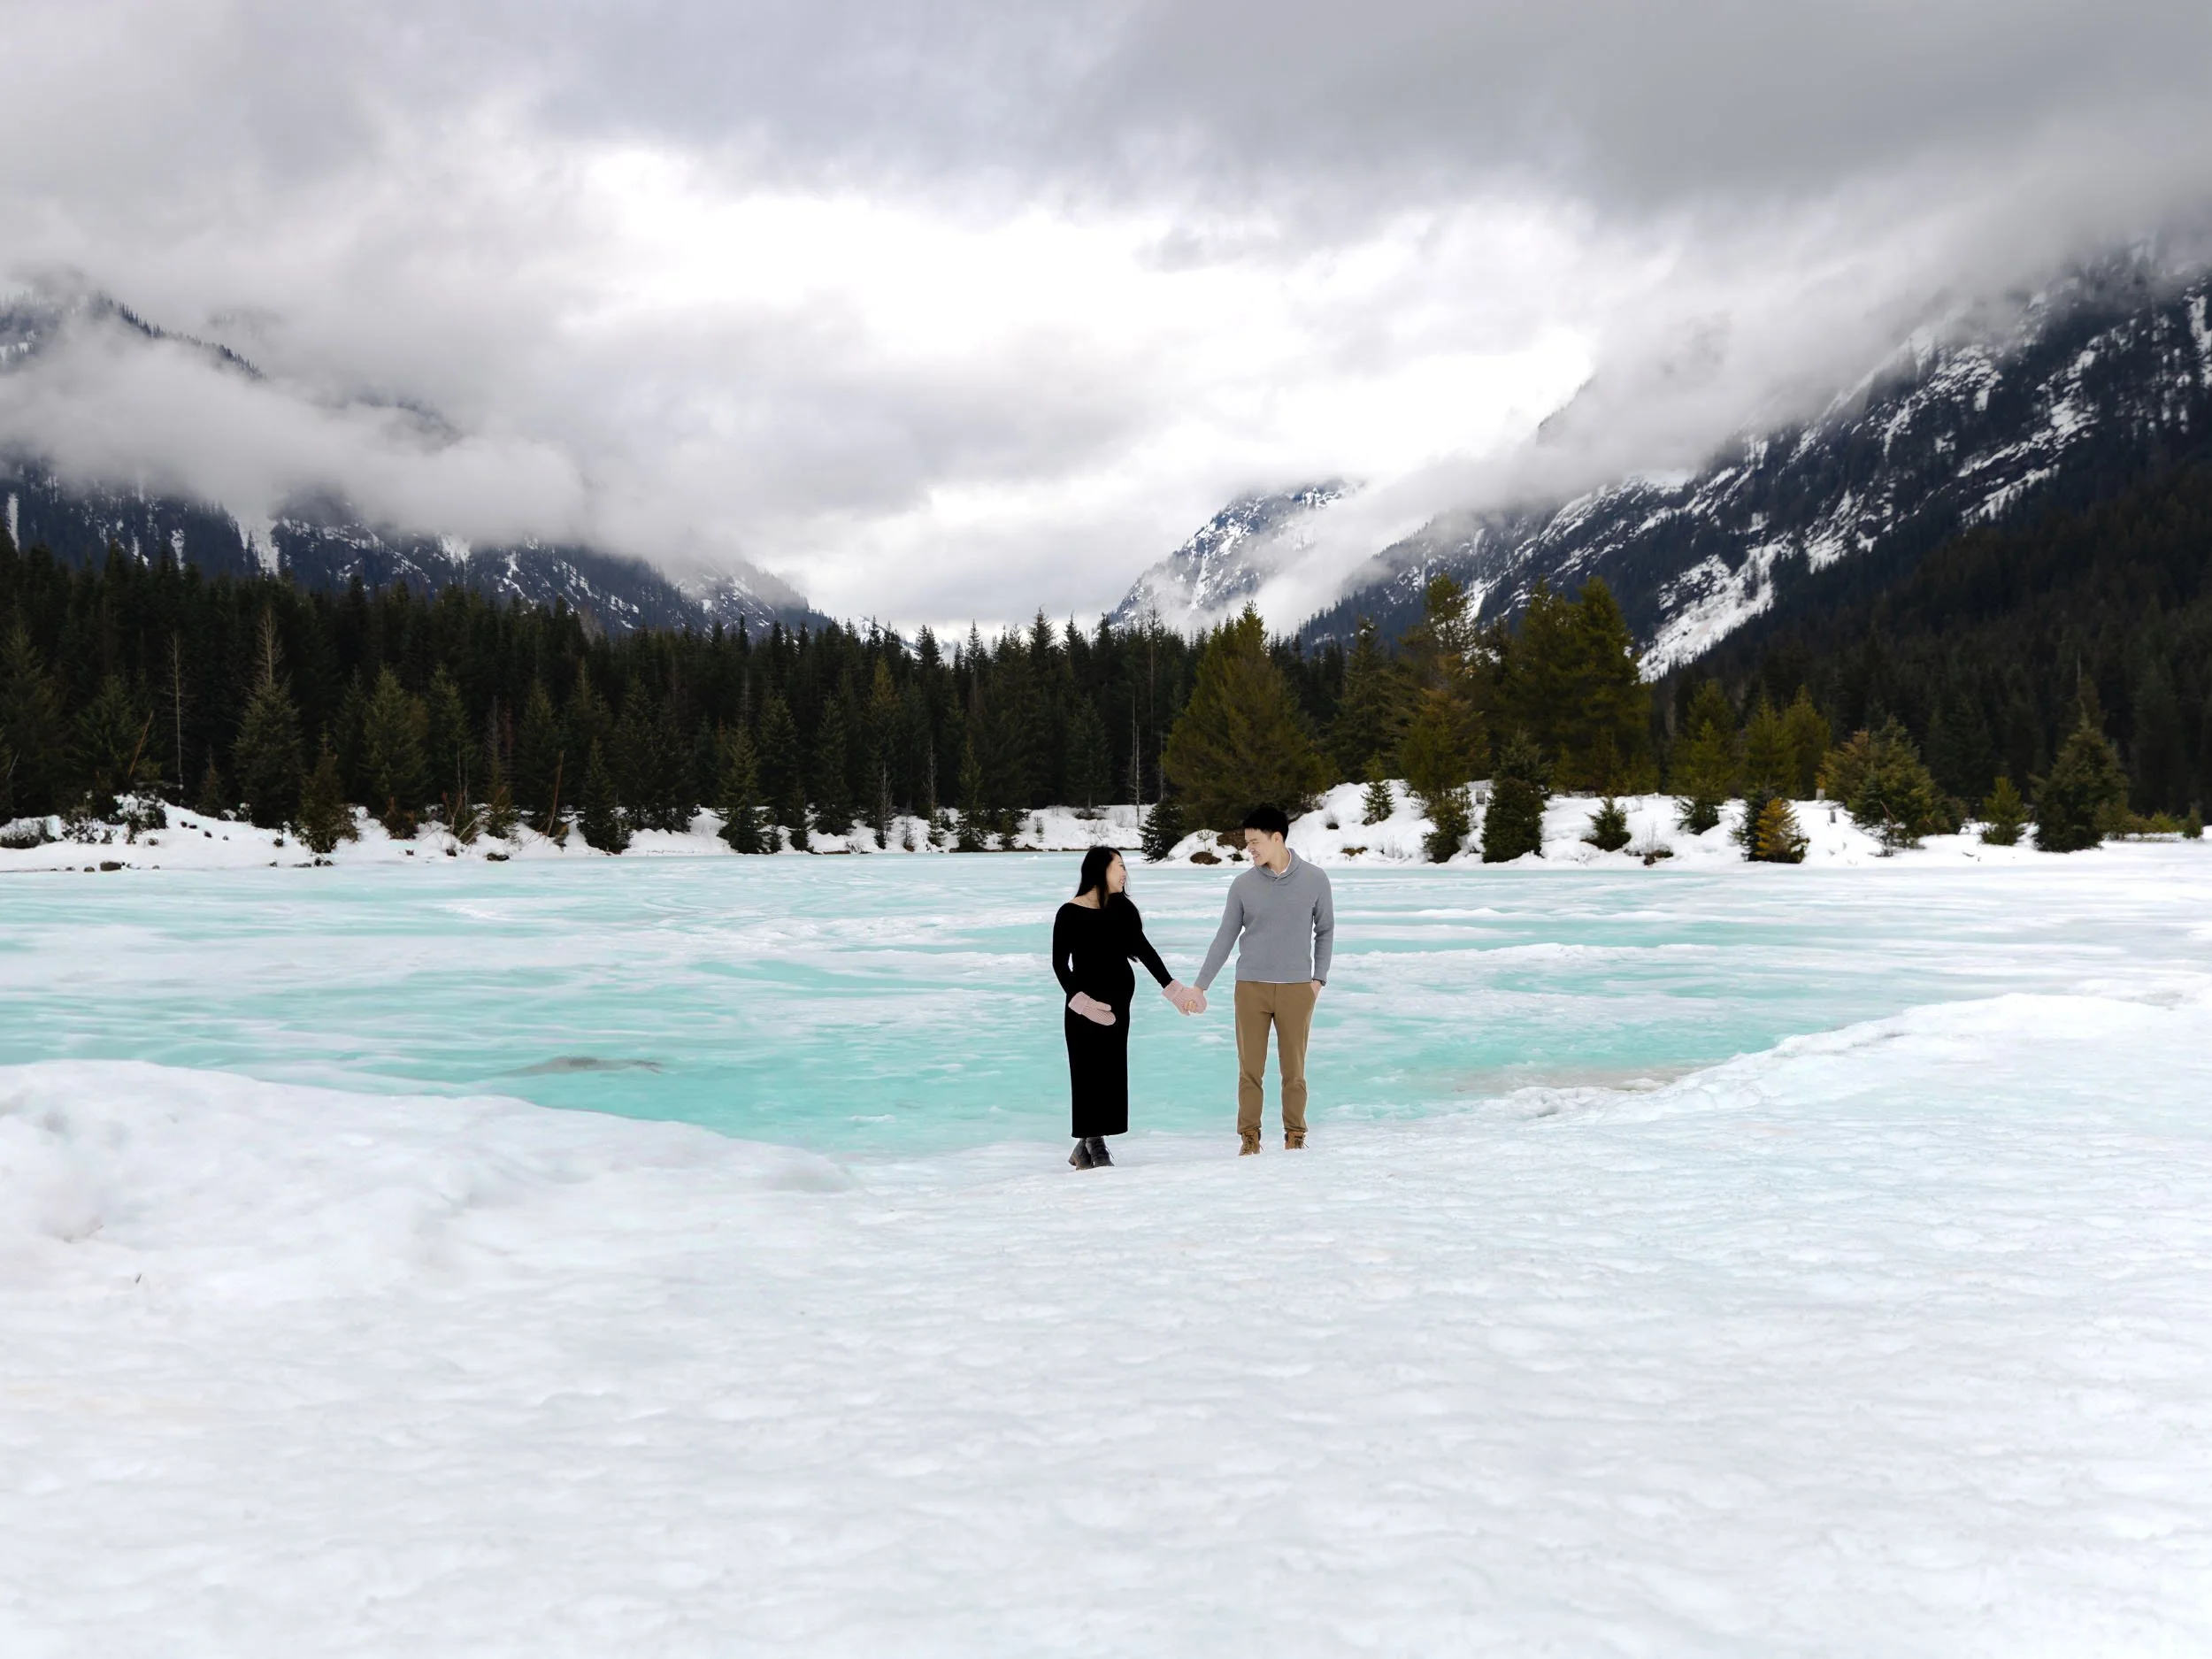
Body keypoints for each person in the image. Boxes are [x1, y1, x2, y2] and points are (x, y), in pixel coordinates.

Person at [1190, 804, 1334, 1156]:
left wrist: (1318, 979)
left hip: (1297, 989)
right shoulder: (1242, 886)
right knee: (1249, 1070)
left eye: (1254, 842)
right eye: (1246, 842)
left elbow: (1325, 931)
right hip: (1250, 988)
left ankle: (1295, 1134)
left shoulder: (1316, 879)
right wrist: (1200, 985)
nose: (1249, 849)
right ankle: (1249, 1137)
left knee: (1294, 1071)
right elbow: (1224, 937)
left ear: (1277, 838)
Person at [1050, 846, 1201, 1169]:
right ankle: (1095, 1143)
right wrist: (1081, 1002)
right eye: (1119, 865)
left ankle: (1085, 1147)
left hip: (1119, 1007)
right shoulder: (1069, 913)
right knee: (1087, 1073)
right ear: (1100, 870)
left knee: (1110, 1074)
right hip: (1083, 1010)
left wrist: (1173, 990)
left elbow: (1144, 951)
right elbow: (1060, 965)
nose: (1124, 872)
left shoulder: (1123, 910)